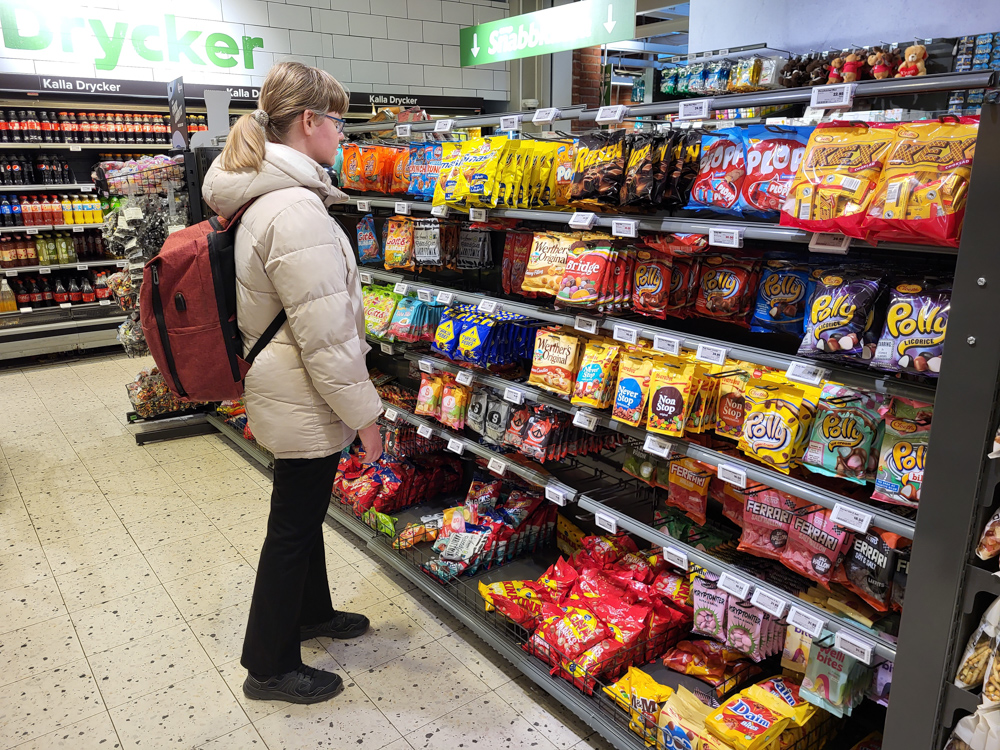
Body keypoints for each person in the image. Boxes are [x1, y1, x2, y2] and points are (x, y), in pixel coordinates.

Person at [202, 61, 383, 704]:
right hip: (303, 389)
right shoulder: (295, 209)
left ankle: (312, 614)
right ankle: (269, 665)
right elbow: (326, 336)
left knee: (302, 517)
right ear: (308, 122)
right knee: (292, 527)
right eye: (339, 121)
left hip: (286, 383)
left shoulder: (264, 195)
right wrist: (368, 417)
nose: (343, 135)